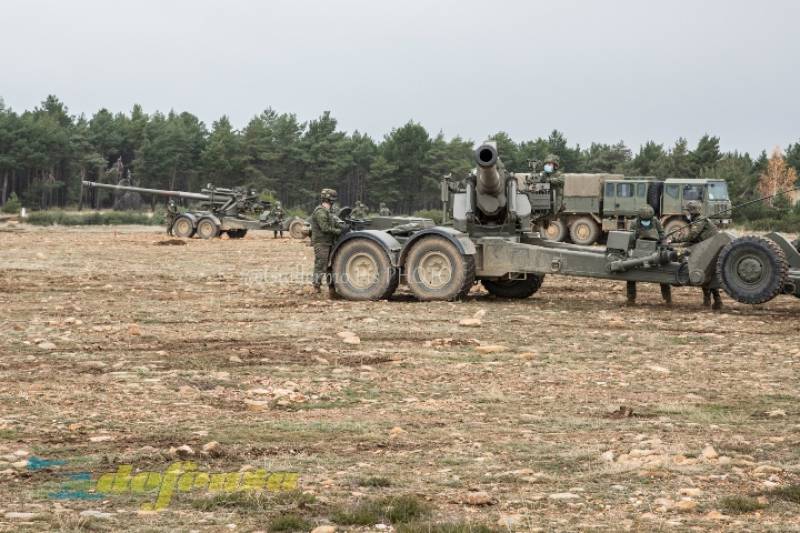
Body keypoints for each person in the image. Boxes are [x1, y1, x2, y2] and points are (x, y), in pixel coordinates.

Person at [671, 200, 723, 310]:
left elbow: (692, 236)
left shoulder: (700, 221)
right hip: (709, 248)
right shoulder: (699, 220)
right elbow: (694, 240)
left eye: (688, 211)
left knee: (704, 273)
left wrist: (676, 239)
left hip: (711, 250)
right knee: (705, 274)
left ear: (693, 211)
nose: (687, 214)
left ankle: (714, 301)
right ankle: (711, 301)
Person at [626, 205, 672, 305]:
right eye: (644, 220)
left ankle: (668, 300)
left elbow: (662, 234)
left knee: (663, 275)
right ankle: (631, 299)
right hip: (638, 250)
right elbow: (631, 238)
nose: (646, 221)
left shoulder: (655, 221)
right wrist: (630, 250)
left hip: (654, 250)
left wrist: (664, 245)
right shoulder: (634, 223)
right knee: (630, 275)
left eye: (648, 220)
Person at [310, 189, 344, 296]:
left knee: (330, 267)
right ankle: (316, 287)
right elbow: (325, 228)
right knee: (321, 265)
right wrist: (338, 231)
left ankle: (332, 289)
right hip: (321, 243)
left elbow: (334, 222)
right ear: (330, 199)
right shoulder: (320, 211)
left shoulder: (328, 211)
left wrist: (341, 226)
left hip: (329, 242)